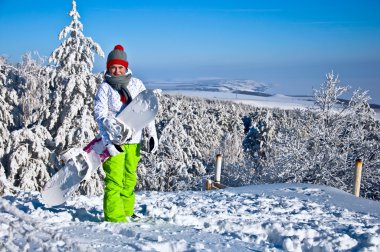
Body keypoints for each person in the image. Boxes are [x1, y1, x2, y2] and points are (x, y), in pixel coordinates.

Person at [94, 44, 158, 222]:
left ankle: (127, 211)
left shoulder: (136, 84)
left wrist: (152, 134)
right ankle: (115, 217)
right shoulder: (105, 88)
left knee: (129, 178)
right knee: (114, 179)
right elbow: (99, 115)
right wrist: (108, 137)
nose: (116, 71)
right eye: (113, 67)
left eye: (120, 67)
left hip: (134, 140)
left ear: (126, 66)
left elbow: (146, 111)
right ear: (108, 68)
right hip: (114, 142)